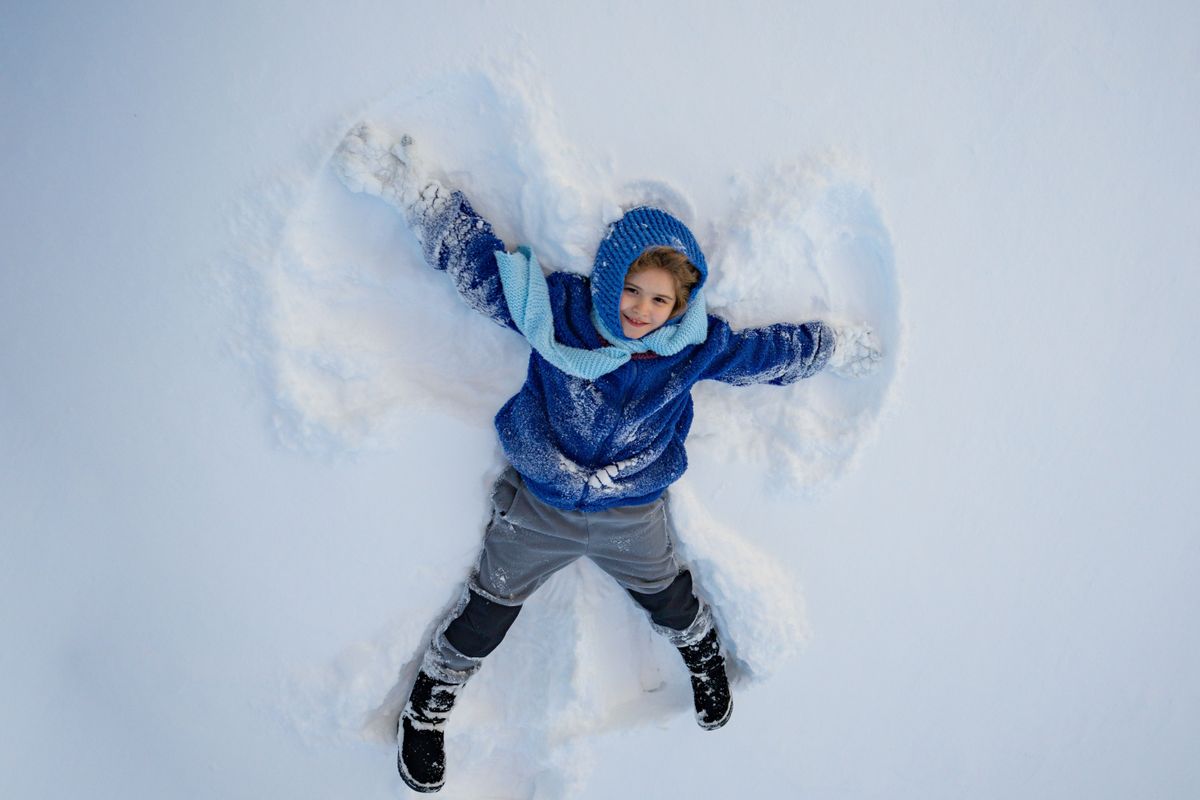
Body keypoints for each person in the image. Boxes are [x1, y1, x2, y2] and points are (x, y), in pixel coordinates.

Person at [332, 124, 882, 793]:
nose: (640, 311)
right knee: (489, 605)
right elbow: (481, 271)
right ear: (607, 278)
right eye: (630, 289)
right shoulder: (561, 313)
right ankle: (431, 701)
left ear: (680, 304)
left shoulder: (693, 347)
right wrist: (414, 192)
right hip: (542, 503)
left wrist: (831, 347)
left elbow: (765, 355)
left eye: (659, 300)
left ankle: (702, 653)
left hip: (632, 509)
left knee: (669, 594)